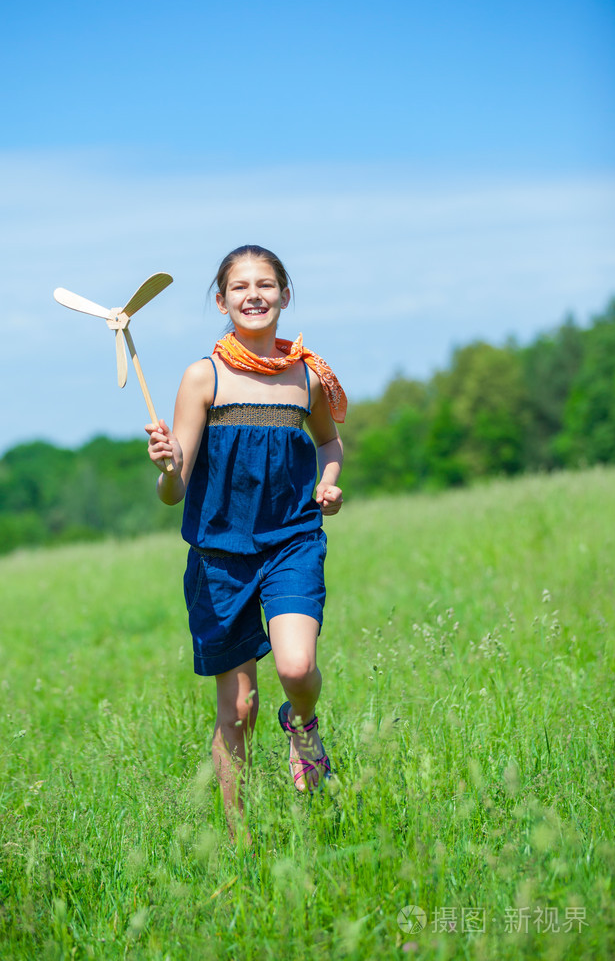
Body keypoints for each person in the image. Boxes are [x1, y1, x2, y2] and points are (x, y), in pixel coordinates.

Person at [145, 245, 345, 838]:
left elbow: (329, 445)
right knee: (237, 709)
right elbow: (173, 490)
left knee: (297, 664)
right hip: (219, 556)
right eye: (239, 287)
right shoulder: (201, 376)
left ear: (285, 295)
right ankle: (239, 844)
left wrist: (328, 483)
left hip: (291, 542)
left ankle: (303, 726)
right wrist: (166, 466)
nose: (253, 295)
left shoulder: (307, 377)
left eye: (266, 284)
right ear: (221, 301)